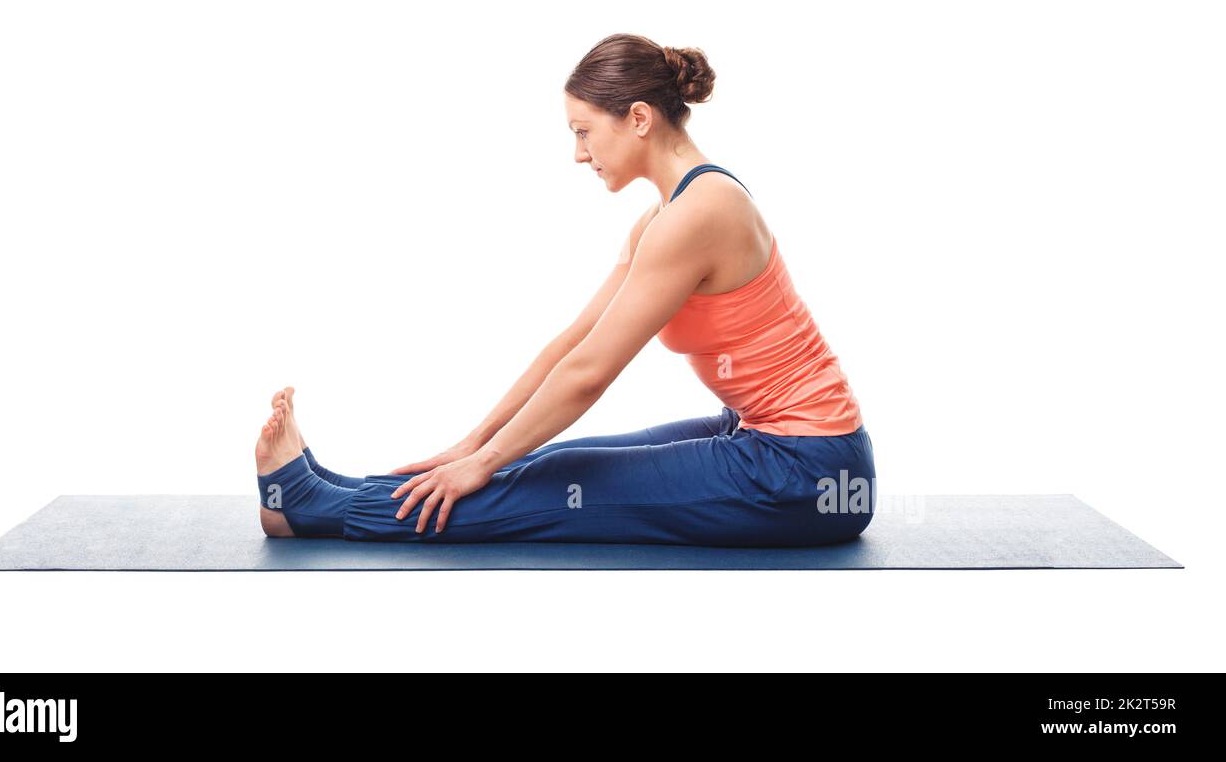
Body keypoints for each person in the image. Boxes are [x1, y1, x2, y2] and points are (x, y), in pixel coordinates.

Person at [254, 32, 876, 546]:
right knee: (539, 465)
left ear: (637, 119)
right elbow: (568, 348)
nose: (579, 154)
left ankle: (309, 508)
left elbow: (589, 374)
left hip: (811, 473)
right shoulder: (662, 218)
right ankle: (326, 491)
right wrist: (474, 444)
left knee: (548, 484)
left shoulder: (701, 212)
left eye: (583, 132)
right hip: (762, 436)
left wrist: (482, 462)